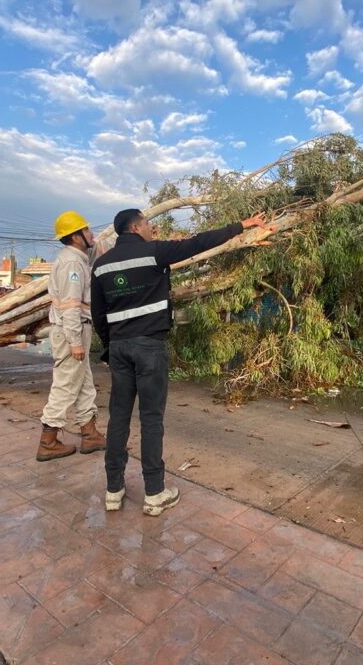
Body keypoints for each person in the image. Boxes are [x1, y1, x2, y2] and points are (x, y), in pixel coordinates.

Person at [91, 209, 274, 516]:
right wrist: (243, 224)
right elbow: (198, 243)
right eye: (148, 224)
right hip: (150, 346)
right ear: (136, 227)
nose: (152, 228)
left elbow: (98, 315)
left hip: (120, 349)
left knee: (118, 418)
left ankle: (113, 490)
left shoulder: (101, 266)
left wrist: (111, 347)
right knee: (151, 419)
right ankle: (154, 493)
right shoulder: (155, 252)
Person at [36, 210, 110, 462]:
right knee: (66, 384)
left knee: (83, 383)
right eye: (87, 230)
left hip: (76, 328)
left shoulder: (77, 256)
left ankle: (90, 434)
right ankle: (48, 440)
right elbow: (70, 305)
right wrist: (75, 341)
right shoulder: (72, 265)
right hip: (72, 330)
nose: (92, 234)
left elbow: (100, 248)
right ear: (77, 236)